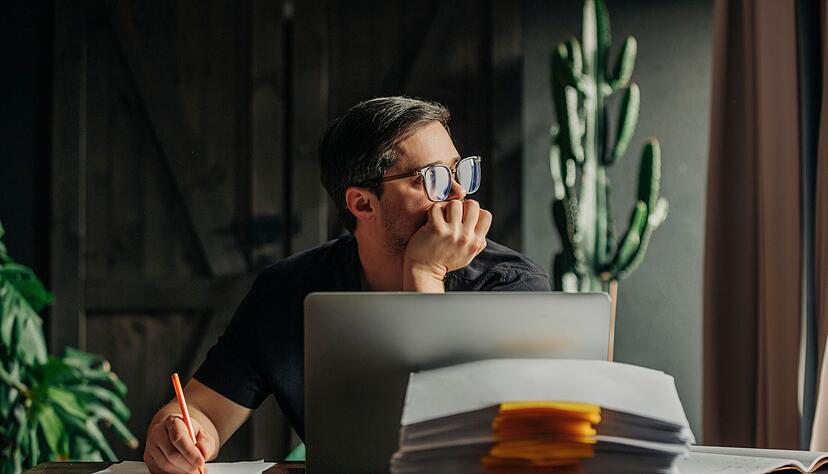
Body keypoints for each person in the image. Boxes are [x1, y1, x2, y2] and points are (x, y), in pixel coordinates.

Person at [143, 97, 551, 473]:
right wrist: (179, 430)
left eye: (459, 171)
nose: (459, 195)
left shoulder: (511, 286)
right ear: (362, 204)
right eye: (433, 179)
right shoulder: (287, 290)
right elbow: (205, 412)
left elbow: (457, 449)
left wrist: (426, 275)